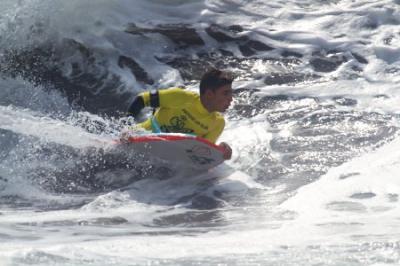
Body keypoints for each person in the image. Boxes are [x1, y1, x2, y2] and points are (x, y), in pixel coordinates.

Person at [125, 68, 233, 160]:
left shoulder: (218, 123)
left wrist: (220, 151)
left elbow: (201, 154)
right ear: (209, 94)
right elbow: (141, 100)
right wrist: (126, 128)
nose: (230, 98)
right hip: (138, 138)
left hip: (165, 158)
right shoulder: (180, 97)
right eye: (225, 93)